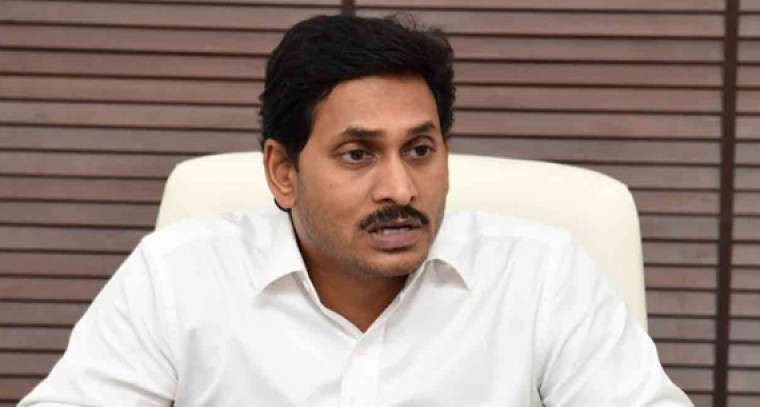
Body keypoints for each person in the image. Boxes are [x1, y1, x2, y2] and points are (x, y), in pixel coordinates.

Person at [19, 14, 693, 406]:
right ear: (283, 172)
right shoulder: (178, 276)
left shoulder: (543, 274)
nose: (399, 188)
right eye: (357, 154)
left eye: (420, 150)